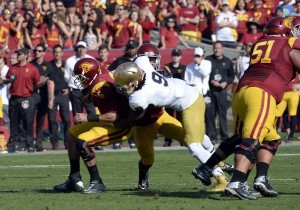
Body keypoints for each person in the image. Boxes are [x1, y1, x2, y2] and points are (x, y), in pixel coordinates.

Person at [191, 16, 300, 200]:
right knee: (250, 141)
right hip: (262, 92)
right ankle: (237, 182)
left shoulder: (260, 43)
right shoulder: (288, 42)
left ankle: (258, 177)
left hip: (242, 91)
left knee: (268, 138)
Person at [114, 57, 230, 192]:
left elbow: (132, 120)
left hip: (190, 103)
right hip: (187, 93)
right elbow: (143, 57)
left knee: (193, 146)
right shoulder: (142, 64)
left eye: (125, 83)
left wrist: (114, 122)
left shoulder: (139, 97)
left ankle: (222, 179)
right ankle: (219, 162)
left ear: (135, 82)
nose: (121, 86)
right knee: (196, 136)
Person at [6, 48, 45, 153]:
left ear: (26, 55)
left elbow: (37, 84)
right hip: (14, 98)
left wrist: (42, 83)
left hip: (26, 98)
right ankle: (12, 145)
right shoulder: (12, 68)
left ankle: (30, 144)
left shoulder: (32, 69)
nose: (18, 55)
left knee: (28, 122)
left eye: (20, 54)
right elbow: (7, 79)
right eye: (17, 53)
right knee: (13, 123)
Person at [205, 41, 235, 144]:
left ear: (222, 49)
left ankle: (224, 137)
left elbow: (232, 76)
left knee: (222, 114)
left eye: (218, 48)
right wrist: (211, 81)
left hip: (222, 91)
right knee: (210, 114)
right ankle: (211, 137)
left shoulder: (227, 61)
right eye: (215, 48)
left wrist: (226, 82)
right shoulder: (208, 60)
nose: (216, 50)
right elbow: (204, 73)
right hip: (210, 91)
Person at [184, 47, 213, 144]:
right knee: (195, 116)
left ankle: (210, 136)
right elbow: (186, 80)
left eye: (199, 56)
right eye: (195, 56)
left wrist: (199, 64)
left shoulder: (207, 63)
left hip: (205, 93)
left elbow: (206, 73)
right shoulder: (189, 66)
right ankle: (196, 136)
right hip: (194, 94)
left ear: (202, 56)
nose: (197, 58)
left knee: (208, 114)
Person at [64, 41, 96, 123]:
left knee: (93, 113)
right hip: (75, 91)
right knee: (77, 116)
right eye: (79, 47)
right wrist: (74, 82)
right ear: (76, 49)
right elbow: (66, 76)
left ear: (86, 49)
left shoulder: (92, 60)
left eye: (83, 47)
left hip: (88, 90)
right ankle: (77, 134)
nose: (81, 49)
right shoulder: (69, 61)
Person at [30, 43, 54, 152]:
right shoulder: (30, 64)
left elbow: (51, 81)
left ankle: (39, 143)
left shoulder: (48, 65)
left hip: (43, 95)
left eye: (39, 51)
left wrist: (51, 98)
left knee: (40, 120)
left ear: (44, 52)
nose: (36, 53)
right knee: (29, 119)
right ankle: (29, 142)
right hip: (32, 94)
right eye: (35, 51)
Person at [48, 44, 71, 150]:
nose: (57, 54)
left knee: (66, 119)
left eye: (59, 52)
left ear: (62, 53)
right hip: (52, 96)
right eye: (55, 52)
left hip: (63, 95)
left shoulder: (67, 65)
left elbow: (74, 78)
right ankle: (54, 143)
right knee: (51, 119)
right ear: (53, 53)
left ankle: (67, 142)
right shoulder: (49, 66)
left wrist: (69, 88)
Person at [163, 48, 186, 146]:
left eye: (177, 55)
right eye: (174, 55)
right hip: (169, 96)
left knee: (181, 119)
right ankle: (168, 140)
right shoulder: (166, 67)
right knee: (168, 118)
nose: (175, 57)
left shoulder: (184, 68)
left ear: (180, 57)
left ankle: (182, 138)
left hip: (180, 96)